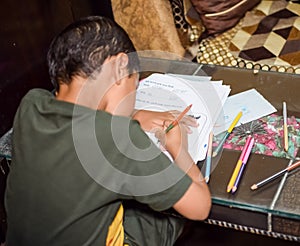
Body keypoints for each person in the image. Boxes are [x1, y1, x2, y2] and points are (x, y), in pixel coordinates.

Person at [5, 16, 211, 245]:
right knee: (164, 215)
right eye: (135, 83)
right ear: (120, 65)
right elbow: (200, 207)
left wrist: (135, 115)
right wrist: (178, 147)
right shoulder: (117, 137)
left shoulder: (30, 105)